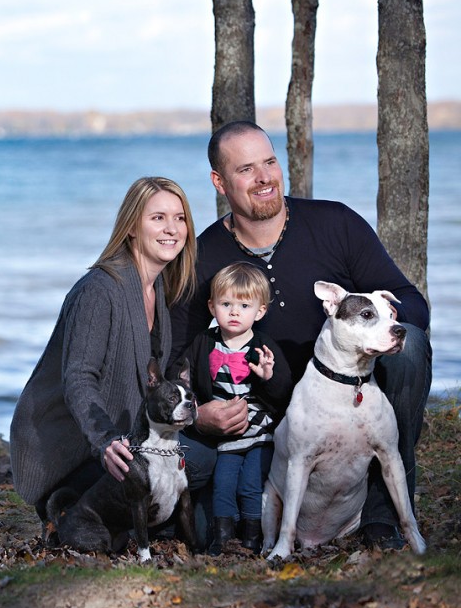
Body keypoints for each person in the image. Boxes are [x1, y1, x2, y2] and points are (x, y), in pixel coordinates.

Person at [170, 121, 432, 551]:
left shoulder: (336, 223)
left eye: (270, 162)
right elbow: (177, 355)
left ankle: (383, 520)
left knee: (410, 347)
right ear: (220, 182)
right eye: (246, 169)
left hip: (349, 396)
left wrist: (367, 330)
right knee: (206, 532)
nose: (264, 178)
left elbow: (410, 301)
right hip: (265, 423)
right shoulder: (205, 257)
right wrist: (200, 413)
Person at [10, 176, 197, 541]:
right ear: (130, 227)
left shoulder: (156, 287)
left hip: (129, 439)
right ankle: (65, 507)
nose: (172, 229)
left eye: (180, 218)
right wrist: (107, 440)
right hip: (73, 449)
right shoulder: (99, 290)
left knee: (202, 466)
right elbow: (79, 377)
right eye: (158, 218)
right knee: (200, 468)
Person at [184, 262, 292, 553]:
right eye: (226, 303)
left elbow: (283, 394)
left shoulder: (263, 346)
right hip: (226, 434)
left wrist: (269, 377)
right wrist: (196, 409)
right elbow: (187, 381)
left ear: (260, 311)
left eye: (244, 305)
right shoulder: (203, 343)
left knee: (250, 485)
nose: (234, 312)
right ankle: (223, 538)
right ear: (211, 306)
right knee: (223, 484)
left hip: (258, 430)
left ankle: (251, 537)